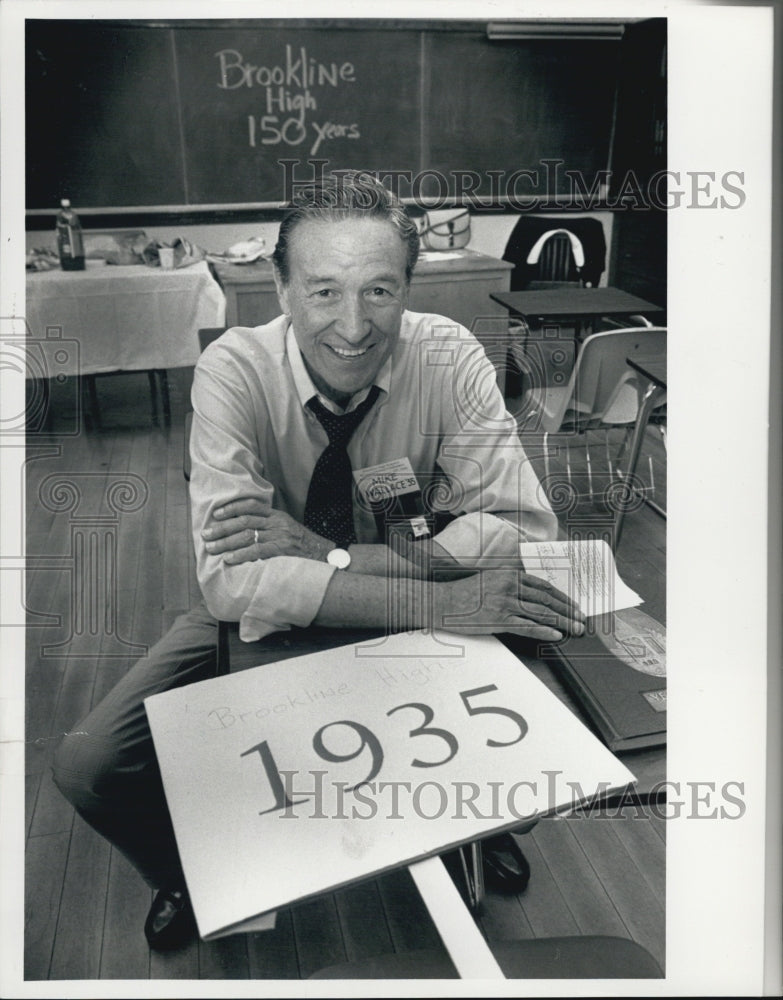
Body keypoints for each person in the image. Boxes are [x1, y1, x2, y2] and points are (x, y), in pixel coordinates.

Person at [52, 172, 585, 951]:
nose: (352, 325)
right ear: (280, 286)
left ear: (408, 286)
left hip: (390, 581)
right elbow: (235, 582)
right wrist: (433, 595)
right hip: (315, 611)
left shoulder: (451, 355)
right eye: (324, 291)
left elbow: (515, 527)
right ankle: (186, 872)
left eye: (379, 291)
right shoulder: (234, 368)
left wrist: (332, 552)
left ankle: (477, 828)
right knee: (90, 764)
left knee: (540, 744)